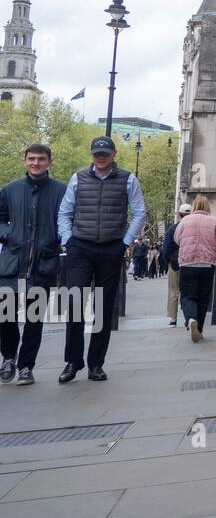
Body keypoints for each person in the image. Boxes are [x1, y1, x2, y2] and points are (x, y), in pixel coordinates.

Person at [56, 135, 146, 383]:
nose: (101, 157)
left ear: (114, 154)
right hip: (80, 248)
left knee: (103, 309)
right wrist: (67, 240)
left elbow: (139, 212)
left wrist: (125, 242)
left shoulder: (128, 179)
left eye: (105, 153)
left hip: (111, 249)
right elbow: (64, 211)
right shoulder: (78, 177)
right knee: (74, 304)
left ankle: (96, 363)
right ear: (92, 155)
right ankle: (73, 361)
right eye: (97, 153)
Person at [0, 144, 67, 386]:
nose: (35, 163)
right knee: (5, 315)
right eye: (31, 158)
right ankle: (8, 357)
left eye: (41, 159)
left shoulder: (61, 191)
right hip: (12, 263)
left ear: (49, 161)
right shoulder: (10, 190)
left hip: (43, 264)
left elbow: (67, 218)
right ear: (24, 161)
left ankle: (27, 366)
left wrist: (56, 239)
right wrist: (7, 234)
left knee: (34, 319)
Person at [171, 194, 216, 342]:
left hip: (188, 263)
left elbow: (177, 238)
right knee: (203, 297)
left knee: (187, 295)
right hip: (207, 263)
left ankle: (191, 319)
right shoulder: (214, 221)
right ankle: (199, 329)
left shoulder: (185, 220)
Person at [159, 205, 189, 326]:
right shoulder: (192, 229)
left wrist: (168, 261)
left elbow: (165, 249)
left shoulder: (173, 229)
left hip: (175, 263)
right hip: (190, 262)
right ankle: (189, 318)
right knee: (188, 291)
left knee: (173, 291)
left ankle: (173, 319)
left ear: (178, 214)